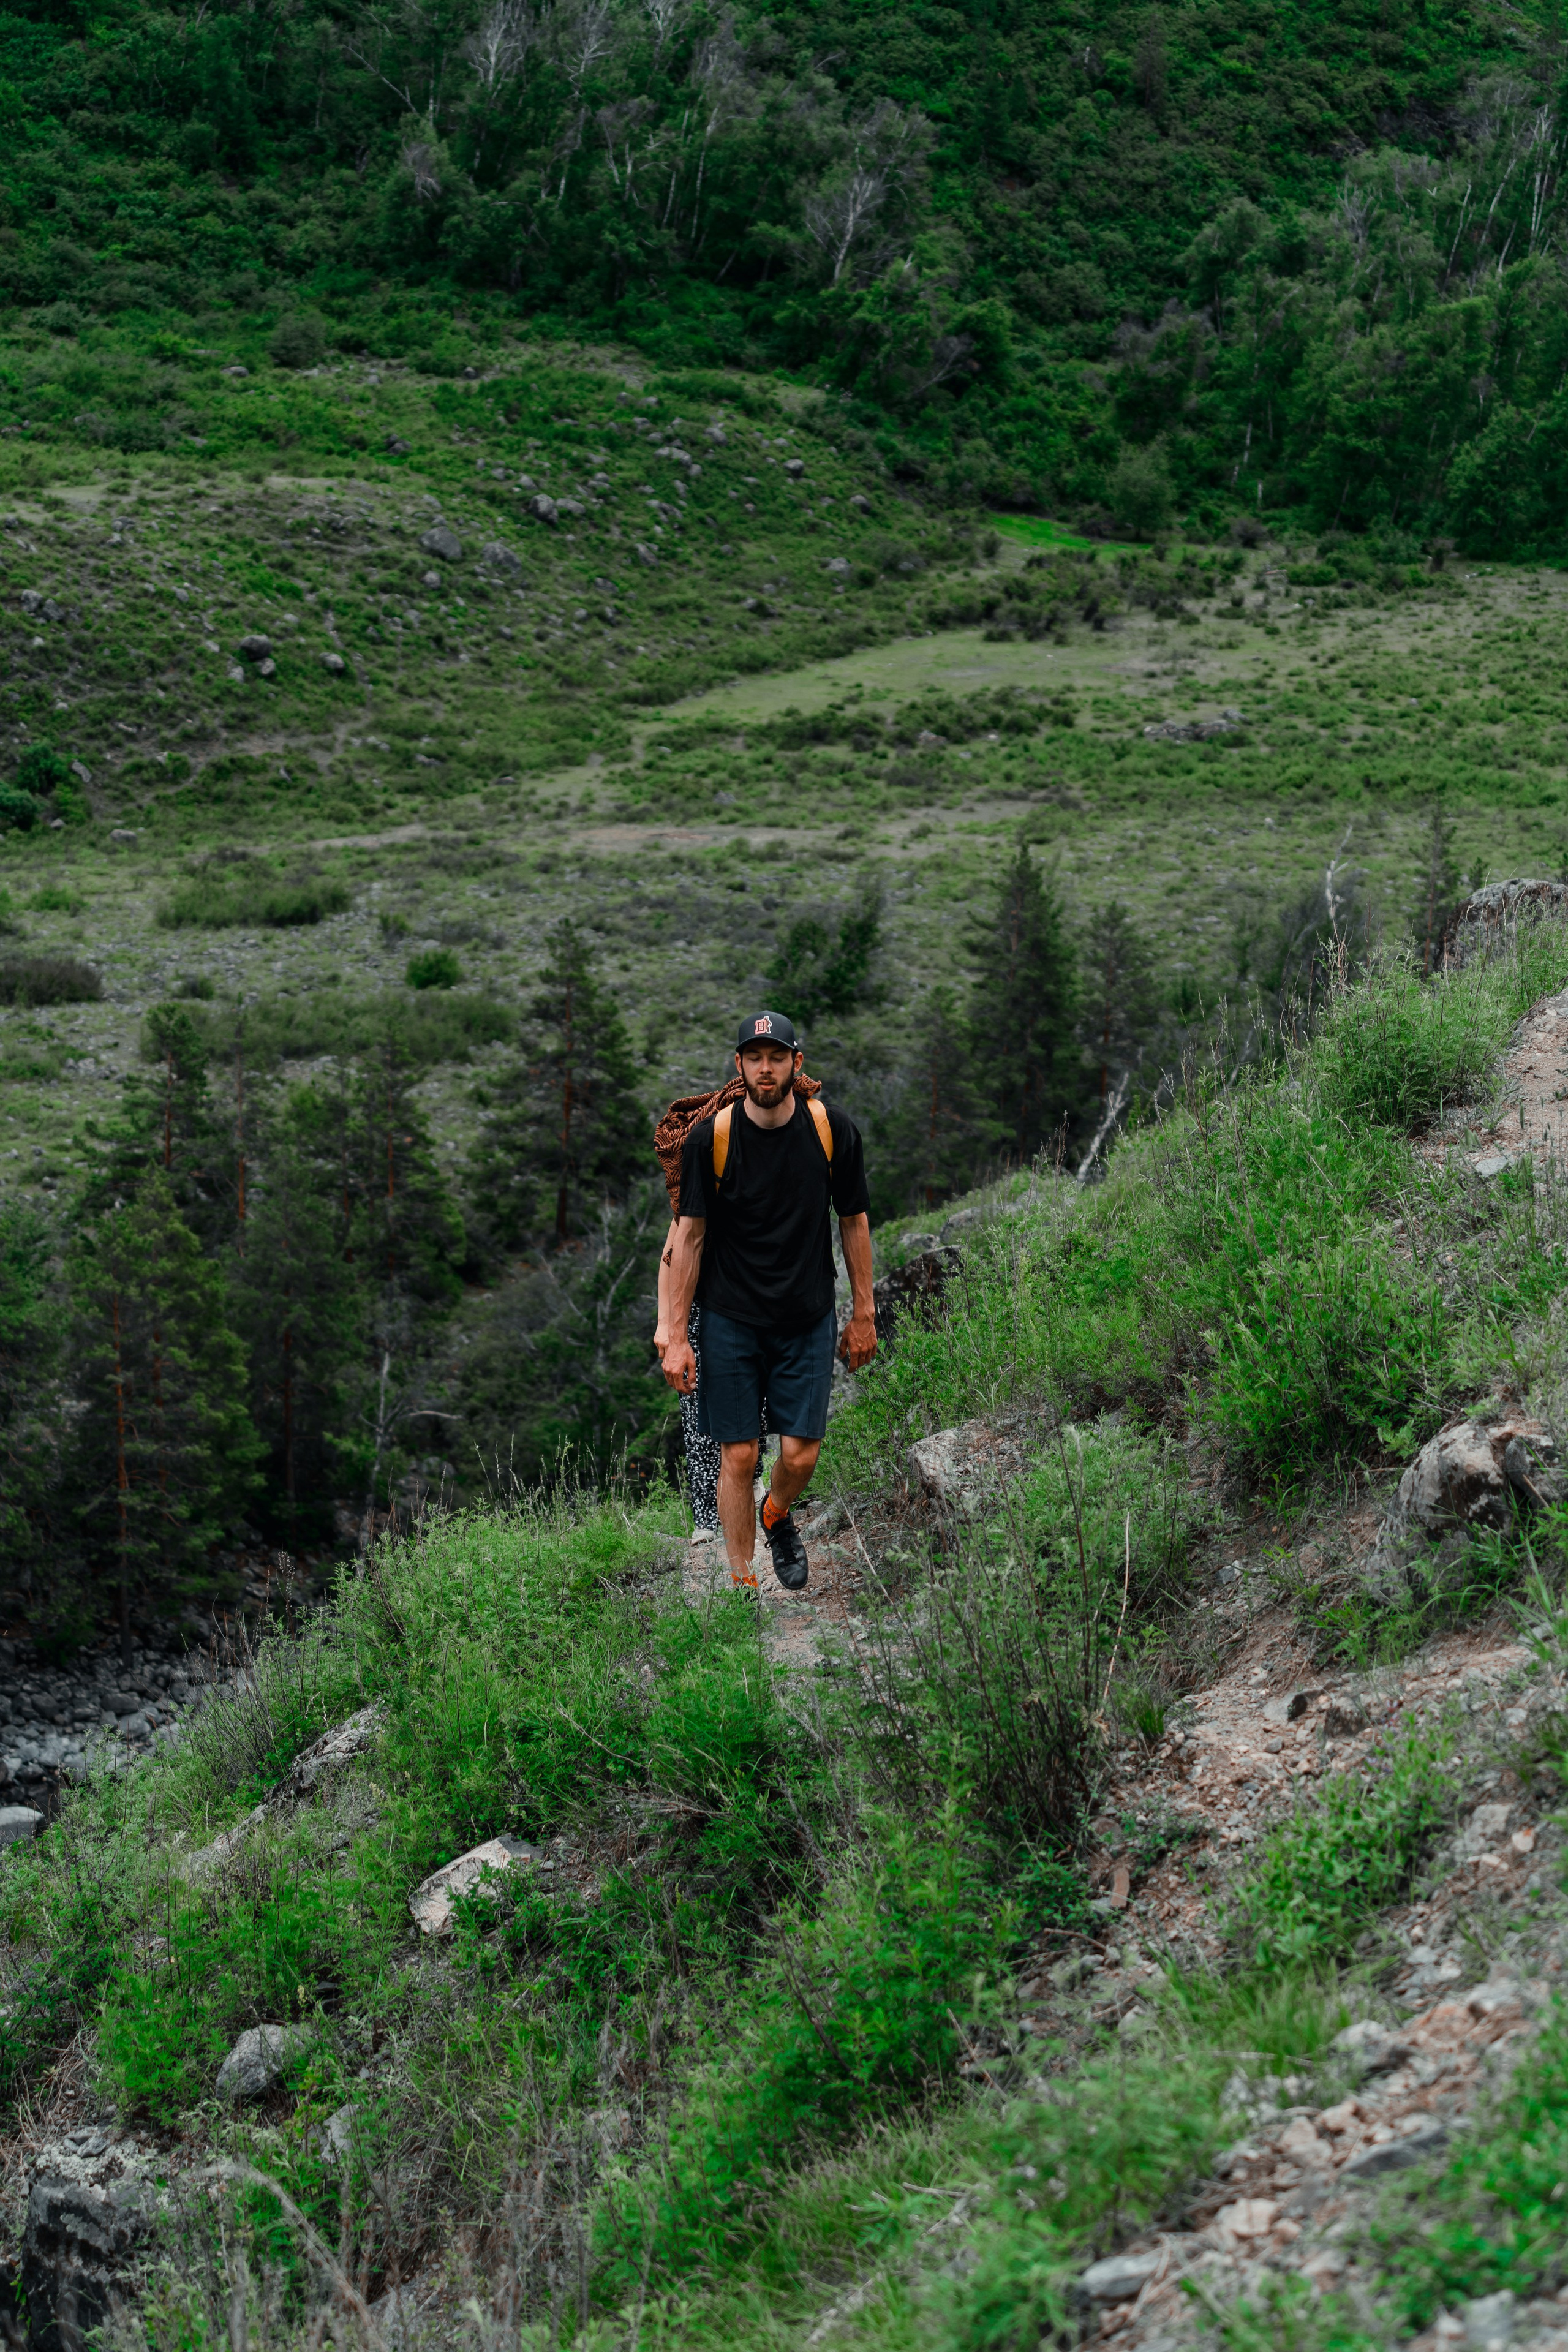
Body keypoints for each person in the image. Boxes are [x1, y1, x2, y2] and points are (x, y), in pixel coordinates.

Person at [658, 1011, 878, 1591]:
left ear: (795, 1063)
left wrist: (864, 1311)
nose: (765, 1068)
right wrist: (677, 1336)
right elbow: (688, 1239)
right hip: (731, 1318)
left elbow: (854, 1221)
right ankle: (743, 1584)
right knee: (738, 1455)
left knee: (801, 1456)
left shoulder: (832, 1130)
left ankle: (775, 1512)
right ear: (739, 1065)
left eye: (776, 1057)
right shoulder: (711, 1139)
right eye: (754, 1058)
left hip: (806, 1315)